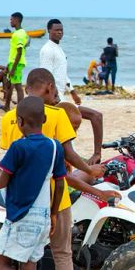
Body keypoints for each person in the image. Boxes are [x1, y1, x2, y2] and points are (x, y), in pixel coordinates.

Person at [0, 69, 115, 270]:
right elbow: (67, 157)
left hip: (20, 203)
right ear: (48, 87)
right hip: (55, 203)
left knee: (24, 260)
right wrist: (91, 171)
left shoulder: (10, 119)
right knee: (62, 254)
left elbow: (7, 169)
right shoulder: (57, 116)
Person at [0, 96, 69, 270]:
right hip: (44, 215)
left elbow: (1, 180)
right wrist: (54, 214)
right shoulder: (55, 147)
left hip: (21, 215)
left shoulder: (18, 147)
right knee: (28, 267)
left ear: (20, 121)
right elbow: (61, 183)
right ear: (44, 120)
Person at [40, 19, 105, 164]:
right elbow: (46, 75)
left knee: (92, 119)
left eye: (61, 30)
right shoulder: (47, 50)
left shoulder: (59, 49)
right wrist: (54, 98)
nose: (59, 32)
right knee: (95, 116)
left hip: (62, 95)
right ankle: (94, 157)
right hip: (55, 99)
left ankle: (93, 157)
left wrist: (73, 91)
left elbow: (62, 73)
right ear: (49, 31)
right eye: (56, 30)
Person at [3, 12, 28, 111]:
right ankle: (6, 106)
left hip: (16, 64)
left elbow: (19, 52)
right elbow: (13, 52)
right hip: (13, 63)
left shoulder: (20, 34)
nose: (10, 21)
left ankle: (20, 109)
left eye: (11, 19)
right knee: (10, 85)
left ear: (17, 20)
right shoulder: (18, 33)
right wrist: (8, 65)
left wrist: (13, 68)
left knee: (17, 86)